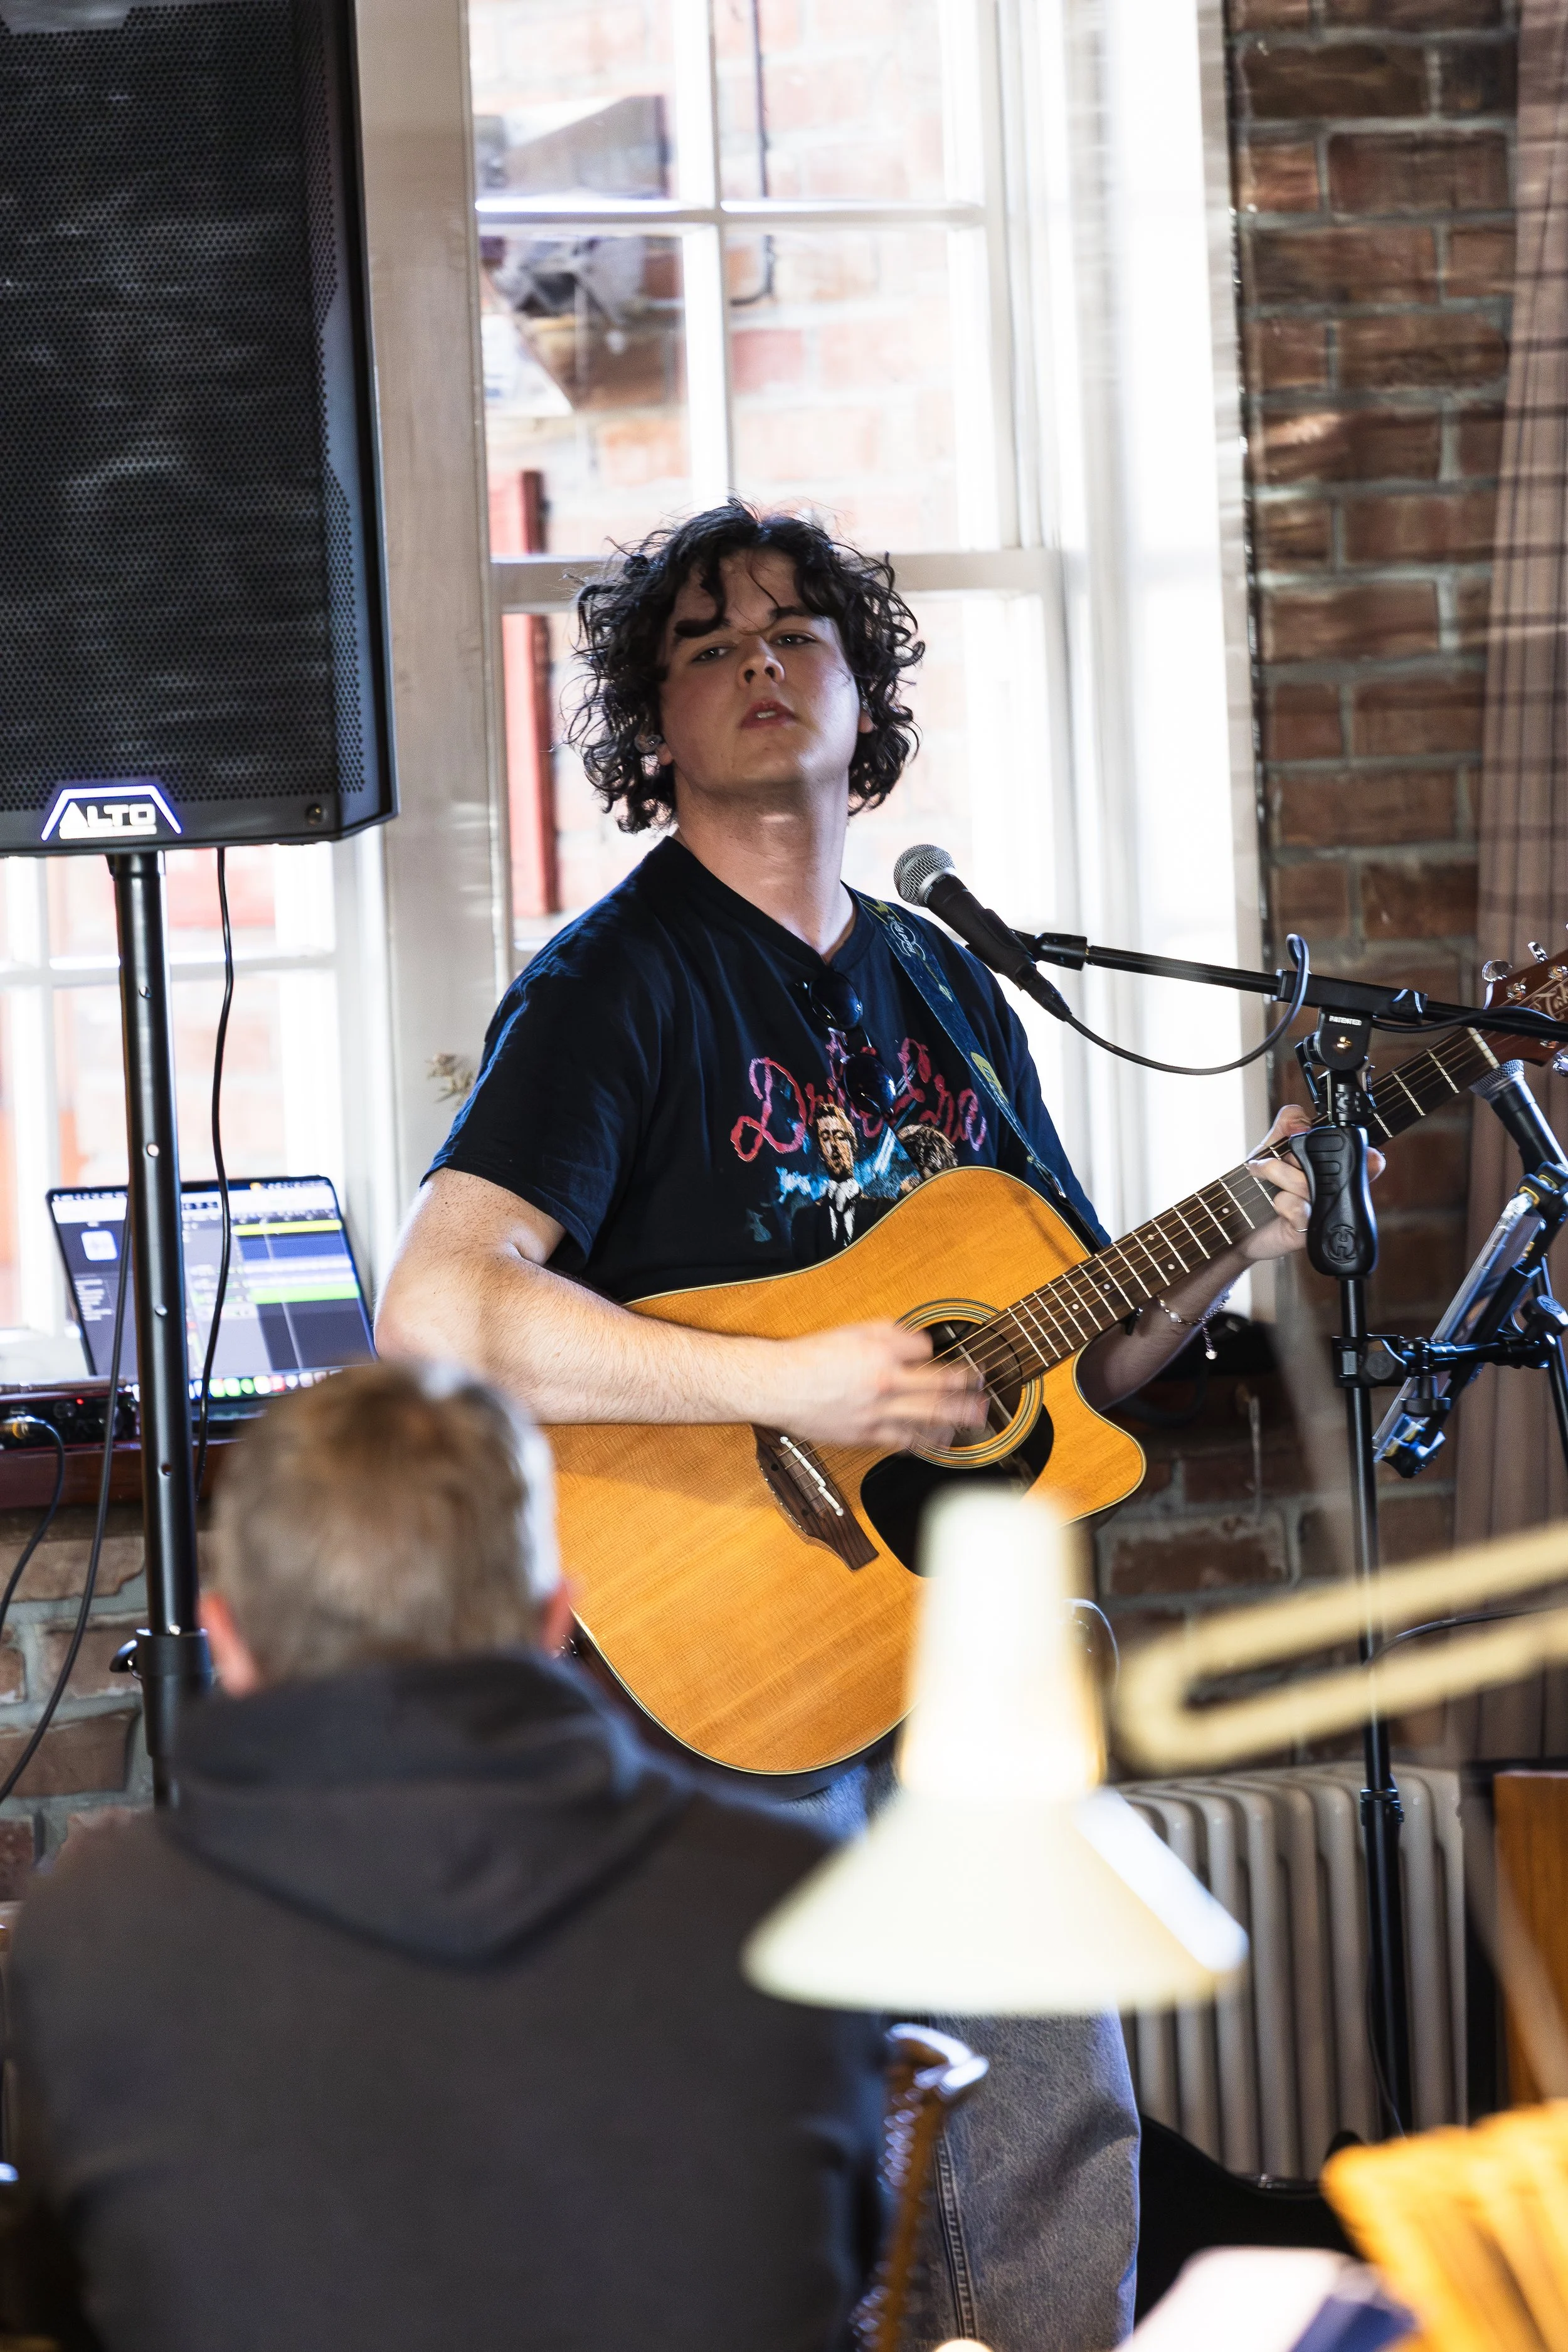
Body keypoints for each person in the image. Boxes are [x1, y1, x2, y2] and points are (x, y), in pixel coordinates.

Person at [375, 500, 1323, 2351]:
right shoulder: (609, 982)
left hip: (956, 1651)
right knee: (762, 2163)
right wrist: (792, 1382)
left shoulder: (948, 985)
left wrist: (1221, 1248)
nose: (755, 659)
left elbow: (1063, 1378)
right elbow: (441, 1307)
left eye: (795, 629)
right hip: (723, 1652)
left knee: (1049, 2138)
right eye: (706, 640)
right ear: (649, 728)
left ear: (858, 693)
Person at [5, 1364, 884, 2352]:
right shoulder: (785, 1896)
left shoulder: (99, 1924)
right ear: (556, 1620)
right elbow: (834, 2267)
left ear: (227, 1642)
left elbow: (61, 2302)